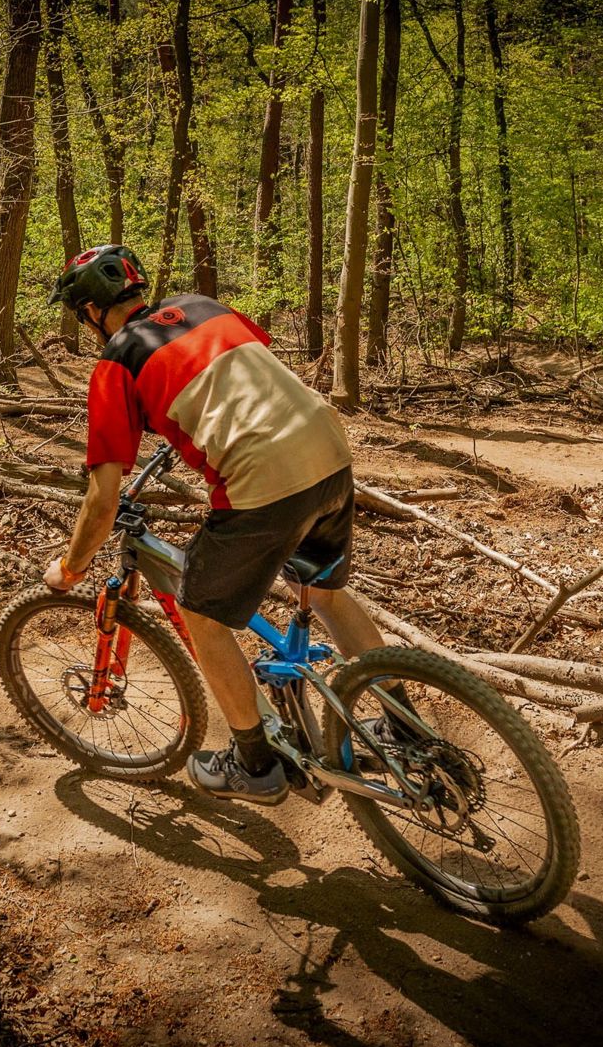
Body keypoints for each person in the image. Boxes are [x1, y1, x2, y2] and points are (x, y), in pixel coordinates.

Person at [42, 244, 390, 804]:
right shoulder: (202, 307)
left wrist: (70, 567)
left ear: (90, 311)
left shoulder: (116, 362)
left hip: (263, 476)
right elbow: (238, 377)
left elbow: (103, 500)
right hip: (328, 450)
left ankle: (255, 766)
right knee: (324, 592)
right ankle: (400, 724)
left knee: (201, 613)